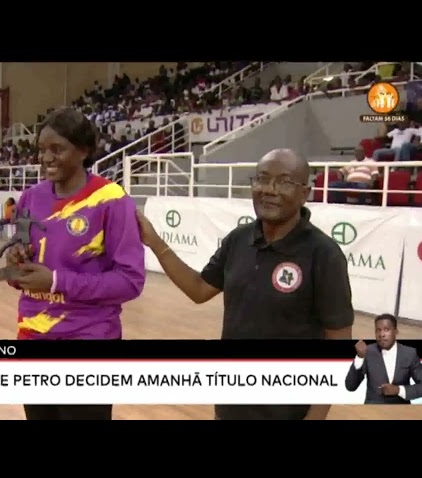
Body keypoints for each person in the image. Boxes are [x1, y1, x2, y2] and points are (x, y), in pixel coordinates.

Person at [137, 148, 355, 420]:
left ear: (304, 193)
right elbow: (199, 289)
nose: (270, 190)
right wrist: (155, 242)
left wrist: (316, 416)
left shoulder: (323, 253)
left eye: (284, 182)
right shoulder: (238, 240)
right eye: (262, 179)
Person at [3, 107, 146, 421]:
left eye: (57, 149)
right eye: (42, 150)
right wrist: (15, 265)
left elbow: (130, 281)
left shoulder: (111, 199)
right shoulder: (29, 198)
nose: (47, 158)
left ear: (83, 151)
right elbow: (20, 259)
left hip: (89, 340)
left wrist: (56, 282)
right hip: (33, 334)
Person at [345, 313, 422, 404]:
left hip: (400, 411)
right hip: (373, 411)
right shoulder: (368, 352)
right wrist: (359, 357)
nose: (381, 334)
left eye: (386, 330)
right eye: (378, 330)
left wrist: (398, 390)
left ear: (395, 332)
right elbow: (350, 386)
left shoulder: (409, 354)